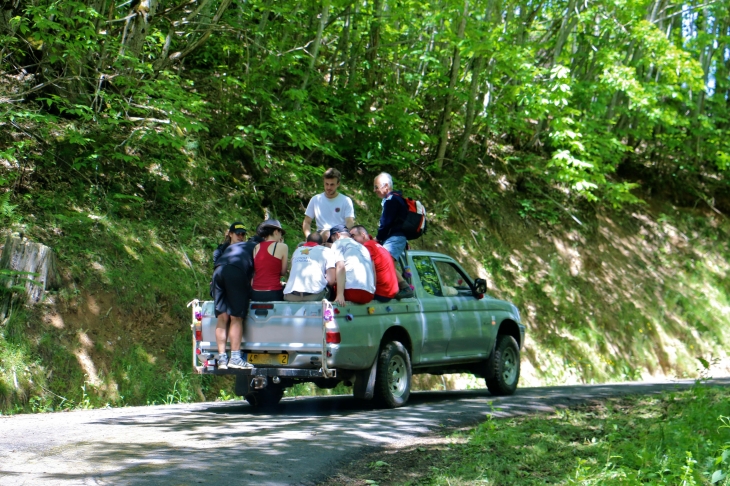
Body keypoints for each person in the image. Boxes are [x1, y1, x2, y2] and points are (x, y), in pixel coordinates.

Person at [212, 225, 254, 369]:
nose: (241, 236)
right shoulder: (256, 247)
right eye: (238, 233)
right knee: (236, 317)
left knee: (222, 318)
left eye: (243, 234)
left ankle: (222, 359)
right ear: (230, 234)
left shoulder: (227, 249)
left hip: (218, 272)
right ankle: (235, 357)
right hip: (234, 273)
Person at [373, 172, 413, 296]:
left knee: (384, 262)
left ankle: (405, 288)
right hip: (397, 237)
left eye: (376, 187)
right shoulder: (396, 198)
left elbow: (386, 222)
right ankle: (392, 290)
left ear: (386, 186)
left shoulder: (391, 200)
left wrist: (378, 238)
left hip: (395, 238)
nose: (374, 190)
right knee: (387, 265)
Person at [303, 168, 355, 243]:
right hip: (321, 233)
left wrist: (345, 235)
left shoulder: (346, 200)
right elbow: (307, 222)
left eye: (332, 184)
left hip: (340, 233)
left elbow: (350, 222)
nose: (328, 188)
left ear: (338, 184)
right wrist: (309, 238)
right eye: (326, 184)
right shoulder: (315, 199)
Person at [349, 225, 399, 302]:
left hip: (381, 292)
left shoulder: (366, 247)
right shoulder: (377, 245)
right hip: (391, 291)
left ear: (363, 235)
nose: (351, 240)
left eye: (353, 236)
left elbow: (368, 271)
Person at [329, 224, 375, 306]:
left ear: (337, 235)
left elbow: (341, 266)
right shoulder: (363, 247)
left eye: (332, 239)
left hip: (352, 291)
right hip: (369, 294)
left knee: (330, 283)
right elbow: (373, 270)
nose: (332, 242)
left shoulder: (338, 243)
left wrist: (340, 294)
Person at [283, 232, 335, 302]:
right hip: (314, 296)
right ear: (322, 243)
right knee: (330, 290)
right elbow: (331, 281)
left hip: (291, 296)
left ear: (306, 241)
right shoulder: (326, 251)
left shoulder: (297, 251)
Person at [252, 219, 289, 301]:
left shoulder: (256, 247)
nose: (281, 236)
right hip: (273, 292)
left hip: (255, 292)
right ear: (276, 231)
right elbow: (283, 272)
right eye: (280, 233)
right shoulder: (283, 246)